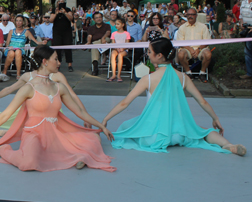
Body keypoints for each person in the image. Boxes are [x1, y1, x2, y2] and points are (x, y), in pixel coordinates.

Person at [0, 45, 116, 172]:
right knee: (29, 163)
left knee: (93, 138)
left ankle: (77, 155)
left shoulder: (60, 87)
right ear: (45, 62)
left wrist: (101, 126)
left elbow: (80, 111)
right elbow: (5, 114)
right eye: (56, 59)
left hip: (55, 132)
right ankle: (2, 150)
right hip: (33, 134)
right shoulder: (29, 87)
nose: (59, 63)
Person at [102, 38, 246, 156]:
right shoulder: (183, 77)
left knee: (127, 127)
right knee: (203, 131)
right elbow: (202, 101)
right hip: (179, 133)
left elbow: (125, 103)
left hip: (154, 137)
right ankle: (228, 145)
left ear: (159, 56)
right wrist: (215, 118)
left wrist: (106, 119)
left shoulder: (149, 79)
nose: (148, 54)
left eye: (150, 51)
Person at [0, 15, 43, 81]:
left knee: (18, 51)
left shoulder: (27, 32)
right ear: (15, 22)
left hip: (20, 49)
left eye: (20, 21)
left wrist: (43, 43)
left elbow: (36, 41)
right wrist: (9, 47)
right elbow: (7, 43)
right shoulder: (11, 31)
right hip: (10, 49)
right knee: (11, 52)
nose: (18, 22)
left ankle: (18, 73)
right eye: (17, 21)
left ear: (23, 22)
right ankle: (4, 71)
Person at [176, 8, 212, 82]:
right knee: (180, 55)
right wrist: (190, 49)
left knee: (208, 54)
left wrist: (198, 49)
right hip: (187, 49)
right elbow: (180, 42)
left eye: (192, 14)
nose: (190, 16)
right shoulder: (182, 28)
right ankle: (188, 73)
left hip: (201, 48)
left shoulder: (203, 26)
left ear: (196, 16)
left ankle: (202, 73)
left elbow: (207, 40)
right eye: (188, 14)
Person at [50, 0, 74, 72]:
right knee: (57, 48)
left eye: (62, 2)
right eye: (59, 2)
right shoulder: (54, 10)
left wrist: (65, 12)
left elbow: (71, 19)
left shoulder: (68, 10)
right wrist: (56, 13)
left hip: (66, 31)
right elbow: (51, 20)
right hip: (57, 31)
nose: (60, 3)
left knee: (68, 47)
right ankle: (58, 63)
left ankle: (69, 64)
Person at [107, 18, 131, 82]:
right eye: (116, 24)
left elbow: (127, 44)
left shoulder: (126, 33)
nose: (116, 25)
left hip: (124, 49)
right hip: (116, 48)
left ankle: (119, 74)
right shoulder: (114, 33)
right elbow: (113, 43)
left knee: (120, 55)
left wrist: (122, 48)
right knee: (113, 54)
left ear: (123, 25)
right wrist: (116, 48)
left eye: (118, 24)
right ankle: (113, 74)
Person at [239, 0, 252, 79]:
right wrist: (241, 23)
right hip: (248, 30)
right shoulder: (243, 1)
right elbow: (241, 15)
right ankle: (249, 73)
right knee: (247, 51)